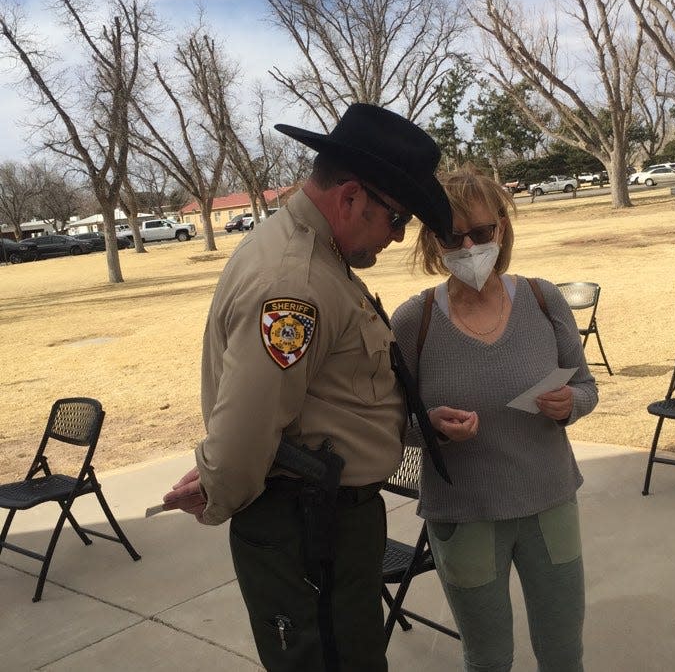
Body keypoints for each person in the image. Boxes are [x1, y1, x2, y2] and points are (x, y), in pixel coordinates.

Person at [161, 103, 453, 672]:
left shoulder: (313, 254)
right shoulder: (296, 280)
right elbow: (247, 428)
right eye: (397, 219)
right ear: (349, 198)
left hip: (324, 520)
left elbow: (325, 398)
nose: (397, 238)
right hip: (310, 527)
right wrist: (221, 487)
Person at [391, 165, 599, 672]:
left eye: (480, 233)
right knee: (487, 657)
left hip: (548, 503)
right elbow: (392, 422)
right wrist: (431, 427)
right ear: (432, 241)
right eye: (451, 235)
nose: (468, 247)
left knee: (562, 650)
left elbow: (587, 387)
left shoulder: (543, 298)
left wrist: (570, 403)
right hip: (465, 514)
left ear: (501, 229)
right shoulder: (412, 321)